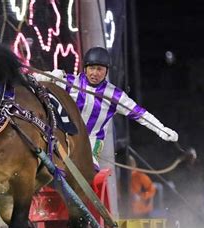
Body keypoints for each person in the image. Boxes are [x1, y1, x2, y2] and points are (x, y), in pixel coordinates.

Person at [33, 47, 179, 168]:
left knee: (89, 169)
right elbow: (34, 81)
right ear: (85, 68)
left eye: (99, 69)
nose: (94, 73)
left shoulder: (115, 95)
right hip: (65, 134)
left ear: (106, 71)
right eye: (91, 68)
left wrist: (161, 129)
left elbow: (140, 114)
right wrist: (47, 76)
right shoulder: (68, 82)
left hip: (92, 141)